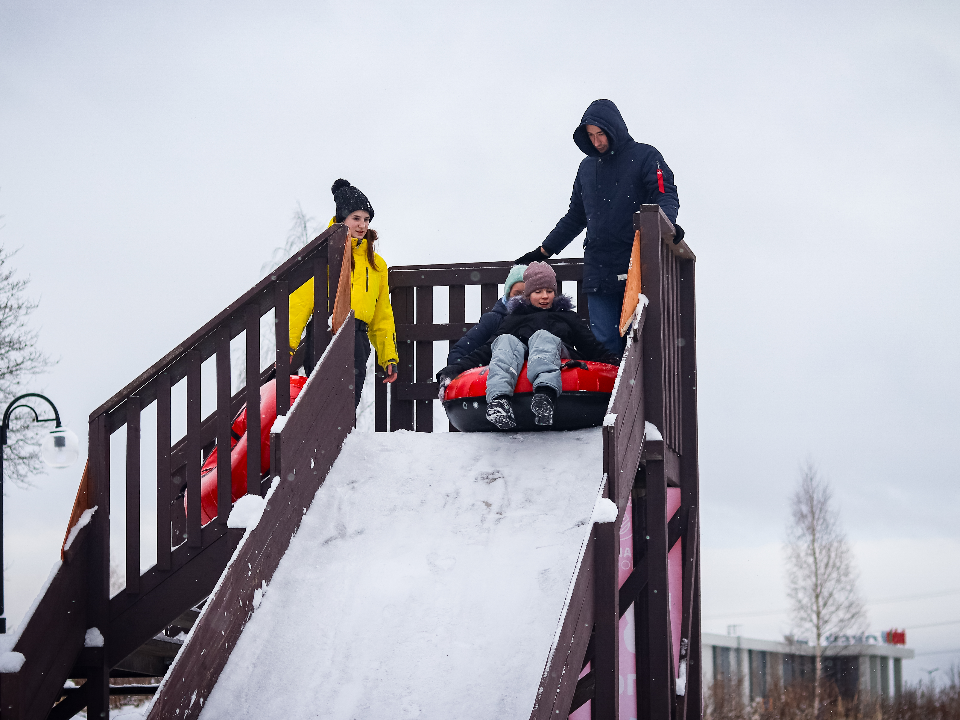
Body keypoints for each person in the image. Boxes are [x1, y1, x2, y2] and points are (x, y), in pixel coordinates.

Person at [516, 99, 682, 356]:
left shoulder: (646, 157)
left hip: (637, 265)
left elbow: (665, 195)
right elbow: (576, 216)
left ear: (614, 128)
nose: (596, 142)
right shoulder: (586, 168)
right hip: (599, 270)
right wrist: (544, 250)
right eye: (591, 136)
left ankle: (634, 394)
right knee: (605, 345)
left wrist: (668, 224)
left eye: (601, 134)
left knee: (639, 341)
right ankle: (612, 397)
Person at [436, 262, 620, 430]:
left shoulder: (567, 316)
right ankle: (499, 402)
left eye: (549, 291)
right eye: (538, 292)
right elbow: (488, 349)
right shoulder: (514, 319)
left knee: (542, 337)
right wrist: (455, 369)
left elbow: (591, 345)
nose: (544, 297)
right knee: (505, 340)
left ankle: (545, 396)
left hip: (559, 357)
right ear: (528, 294)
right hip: (520, 361)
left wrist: (614, 365)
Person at [288, 179, 398, 406]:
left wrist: (388, 356)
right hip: (324, 332)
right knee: (320, 403)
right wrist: (287, 346)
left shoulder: (377, 265)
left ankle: (343, 442)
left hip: (357, 337)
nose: (362, 225)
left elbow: (382, 314)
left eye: (366, 219)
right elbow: (300, 302)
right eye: (355, 218)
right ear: (342, 219)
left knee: (348, 404)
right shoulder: (324, 255)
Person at [445, 264, 526, 367]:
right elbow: (462, 349)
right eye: (517, 294)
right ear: (508, 294)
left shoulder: (539, 319)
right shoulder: (494, 320)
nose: (521, 299)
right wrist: (456, 370)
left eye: (526, 294)